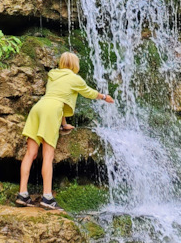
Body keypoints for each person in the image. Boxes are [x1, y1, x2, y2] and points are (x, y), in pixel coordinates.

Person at [16, 51, 114, 211]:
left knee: (30, 154)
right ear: (75, 64)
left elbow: (57, 97)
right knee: (48, 156)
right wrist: (104, 97)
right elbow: (88, 93)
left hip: (38, 109)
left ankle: (22, 194)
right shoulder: (75, 79)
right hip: (51, 111)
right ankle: (47, 197)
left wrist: (63, 124)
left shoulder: (53, 75)